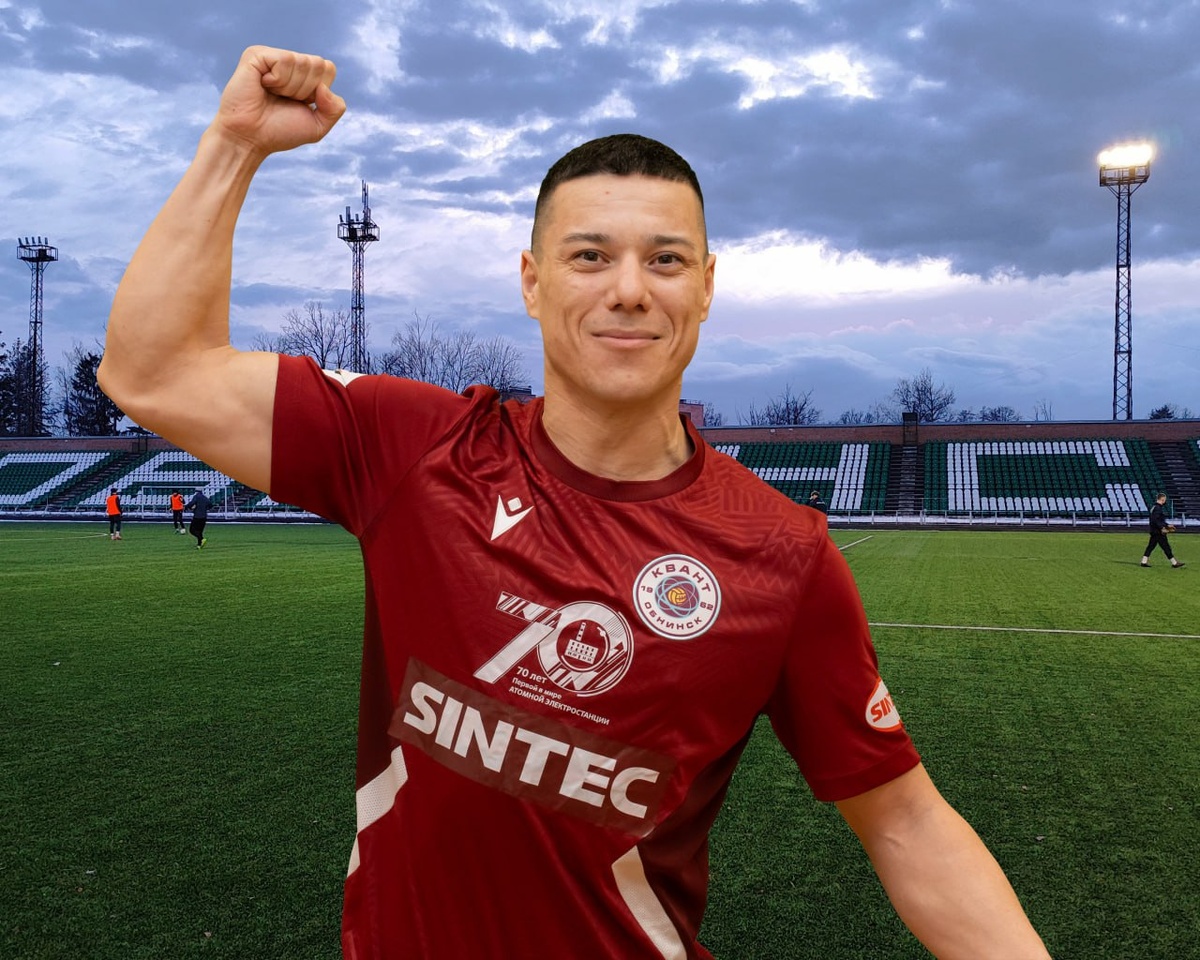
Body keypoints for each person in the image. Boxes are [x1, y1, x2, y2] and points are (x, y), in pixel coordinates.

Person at [97, 46, 1050, 960]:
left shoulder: (781, 553)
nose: (629, 290)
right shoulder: (414, 448)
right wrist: (234, 145)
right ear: (532, 280)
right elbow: (154, 371)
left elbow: (905, 820)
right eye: (590, 255)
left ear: (707, 287)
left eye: (665, 260)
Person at [1141, 493, 1183, 568]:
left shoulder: (1154, 507)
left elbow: (1156, 520)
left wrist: (1167, 525)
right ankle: (1174, 563)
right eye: (1164, 500)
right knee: (1166, 547)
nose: (1165, 501)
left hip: (1154, 530)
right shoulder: (1158, 508)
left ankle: (1144, 561)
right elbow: (1156, 520)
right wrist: (1163, 528)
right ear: (1162, 499)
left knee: (1151, 546)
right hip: (1158, 532)